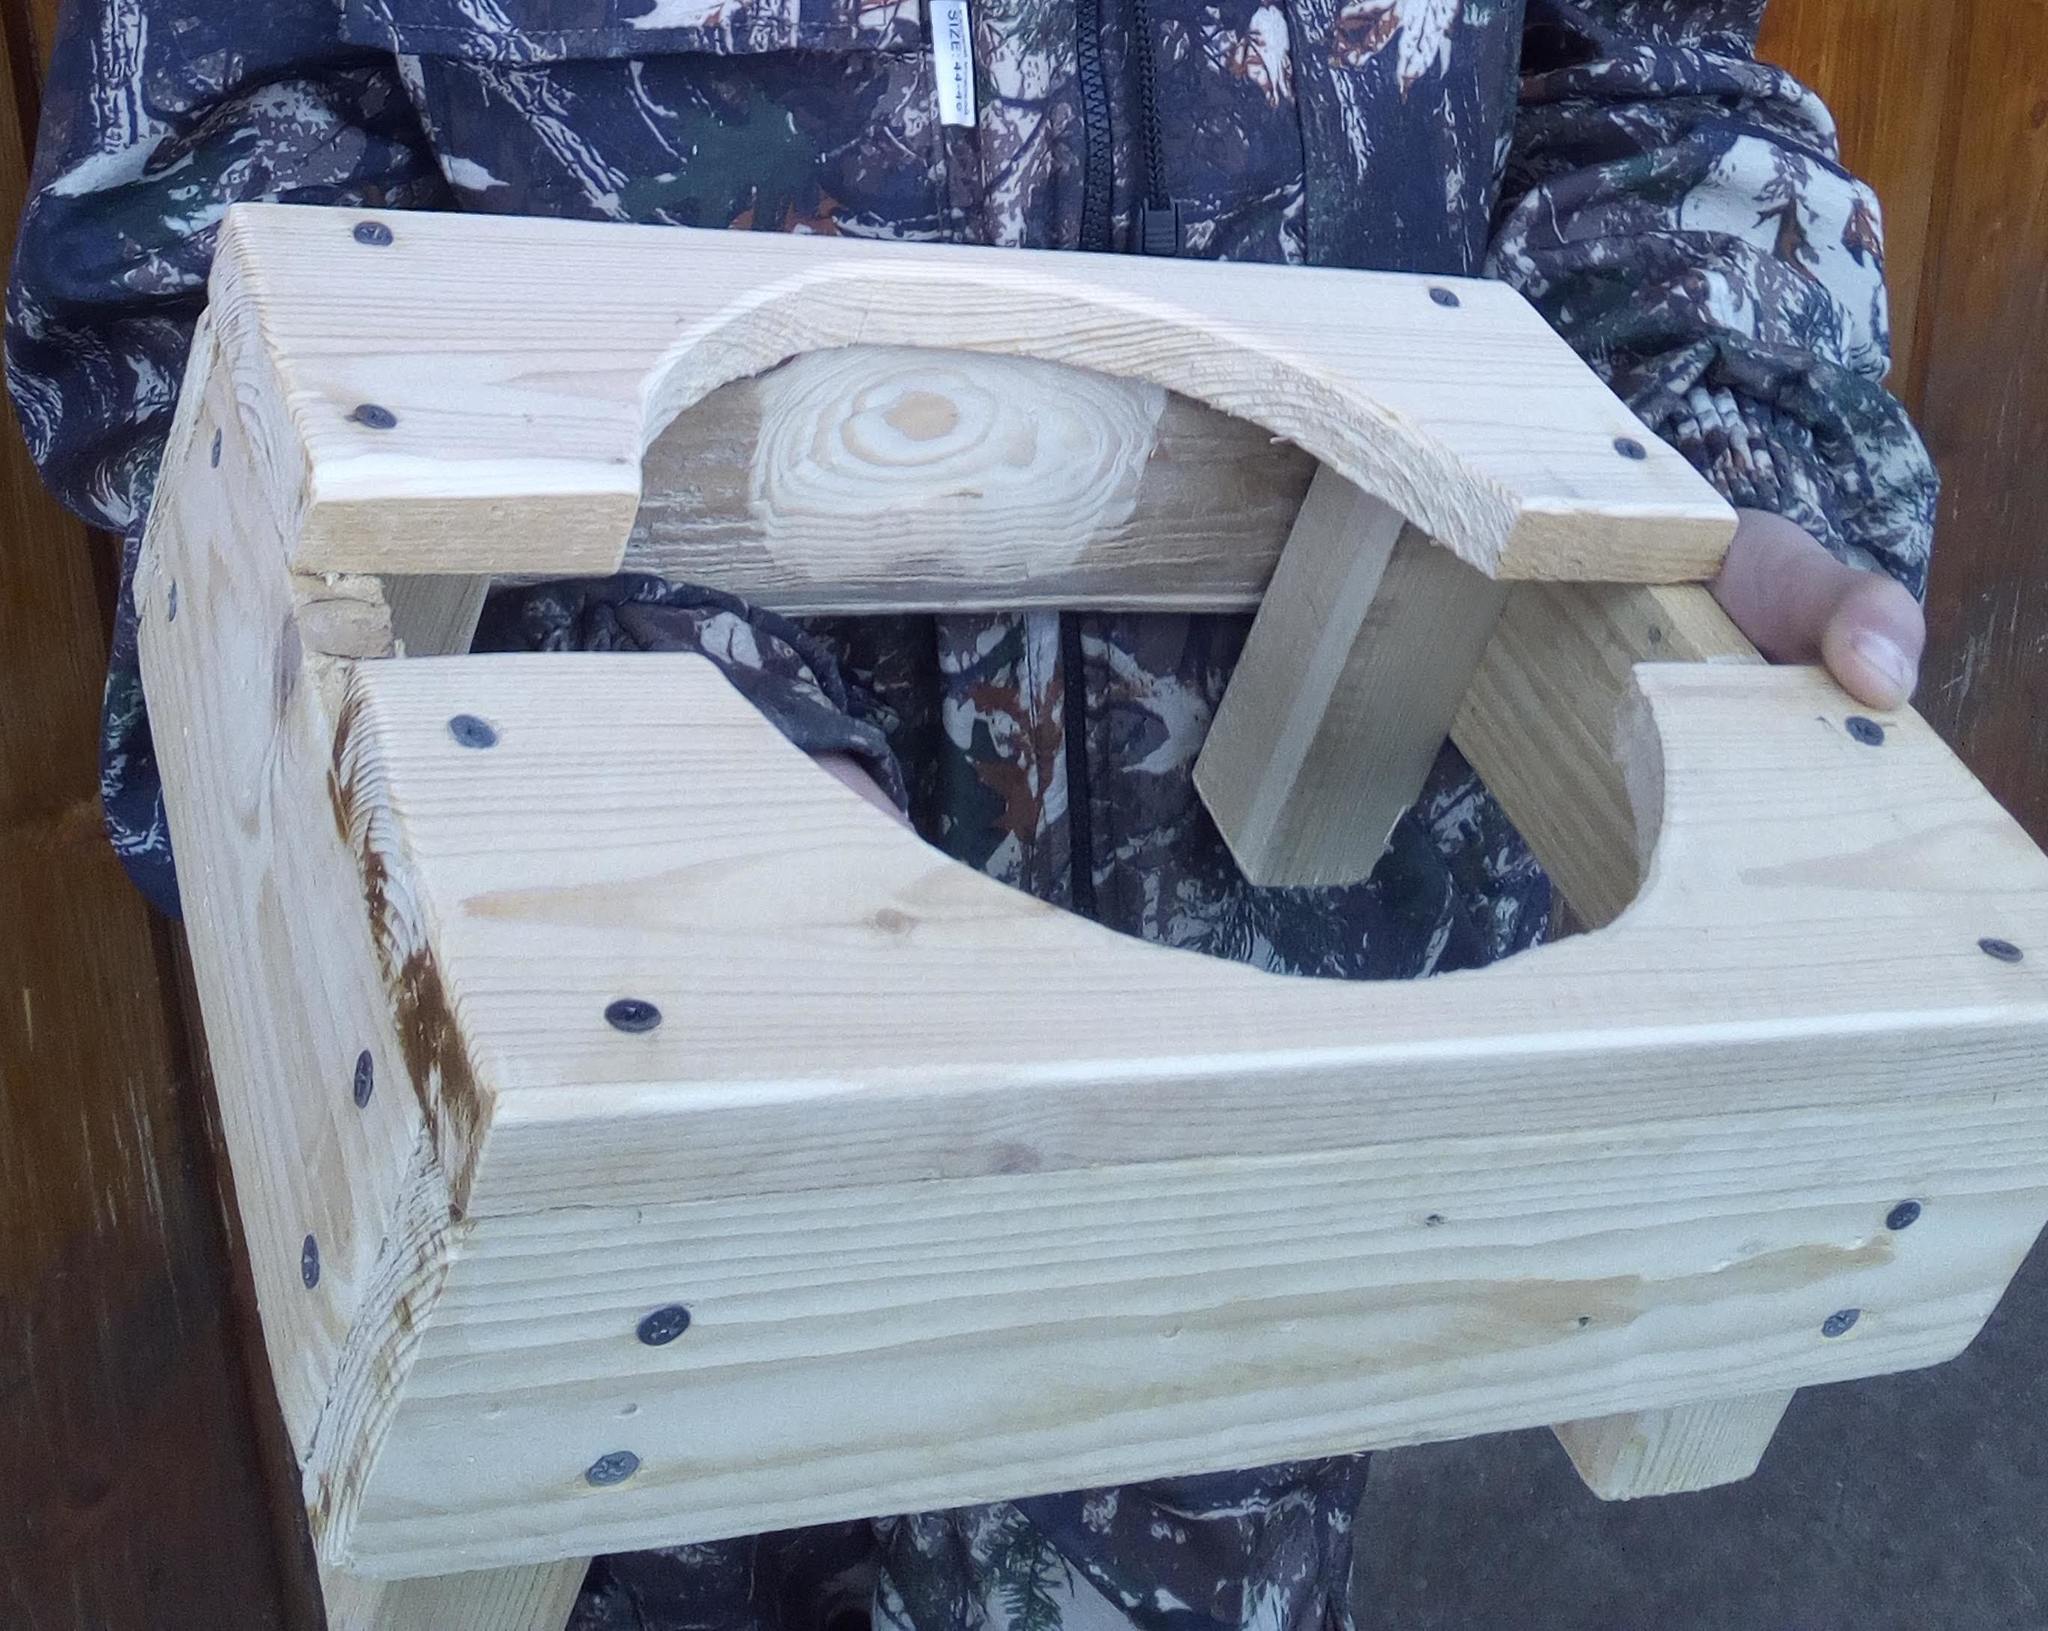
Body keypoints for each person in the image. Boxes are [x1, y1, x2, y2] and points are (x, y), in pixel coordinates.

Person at [6, 2, 1937, 1627]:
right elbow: (182, 217)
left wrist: (1708, 456)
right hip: (597, 1096)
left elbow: (1643, 74)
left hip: (1270, 1095)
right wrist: (631, 688)